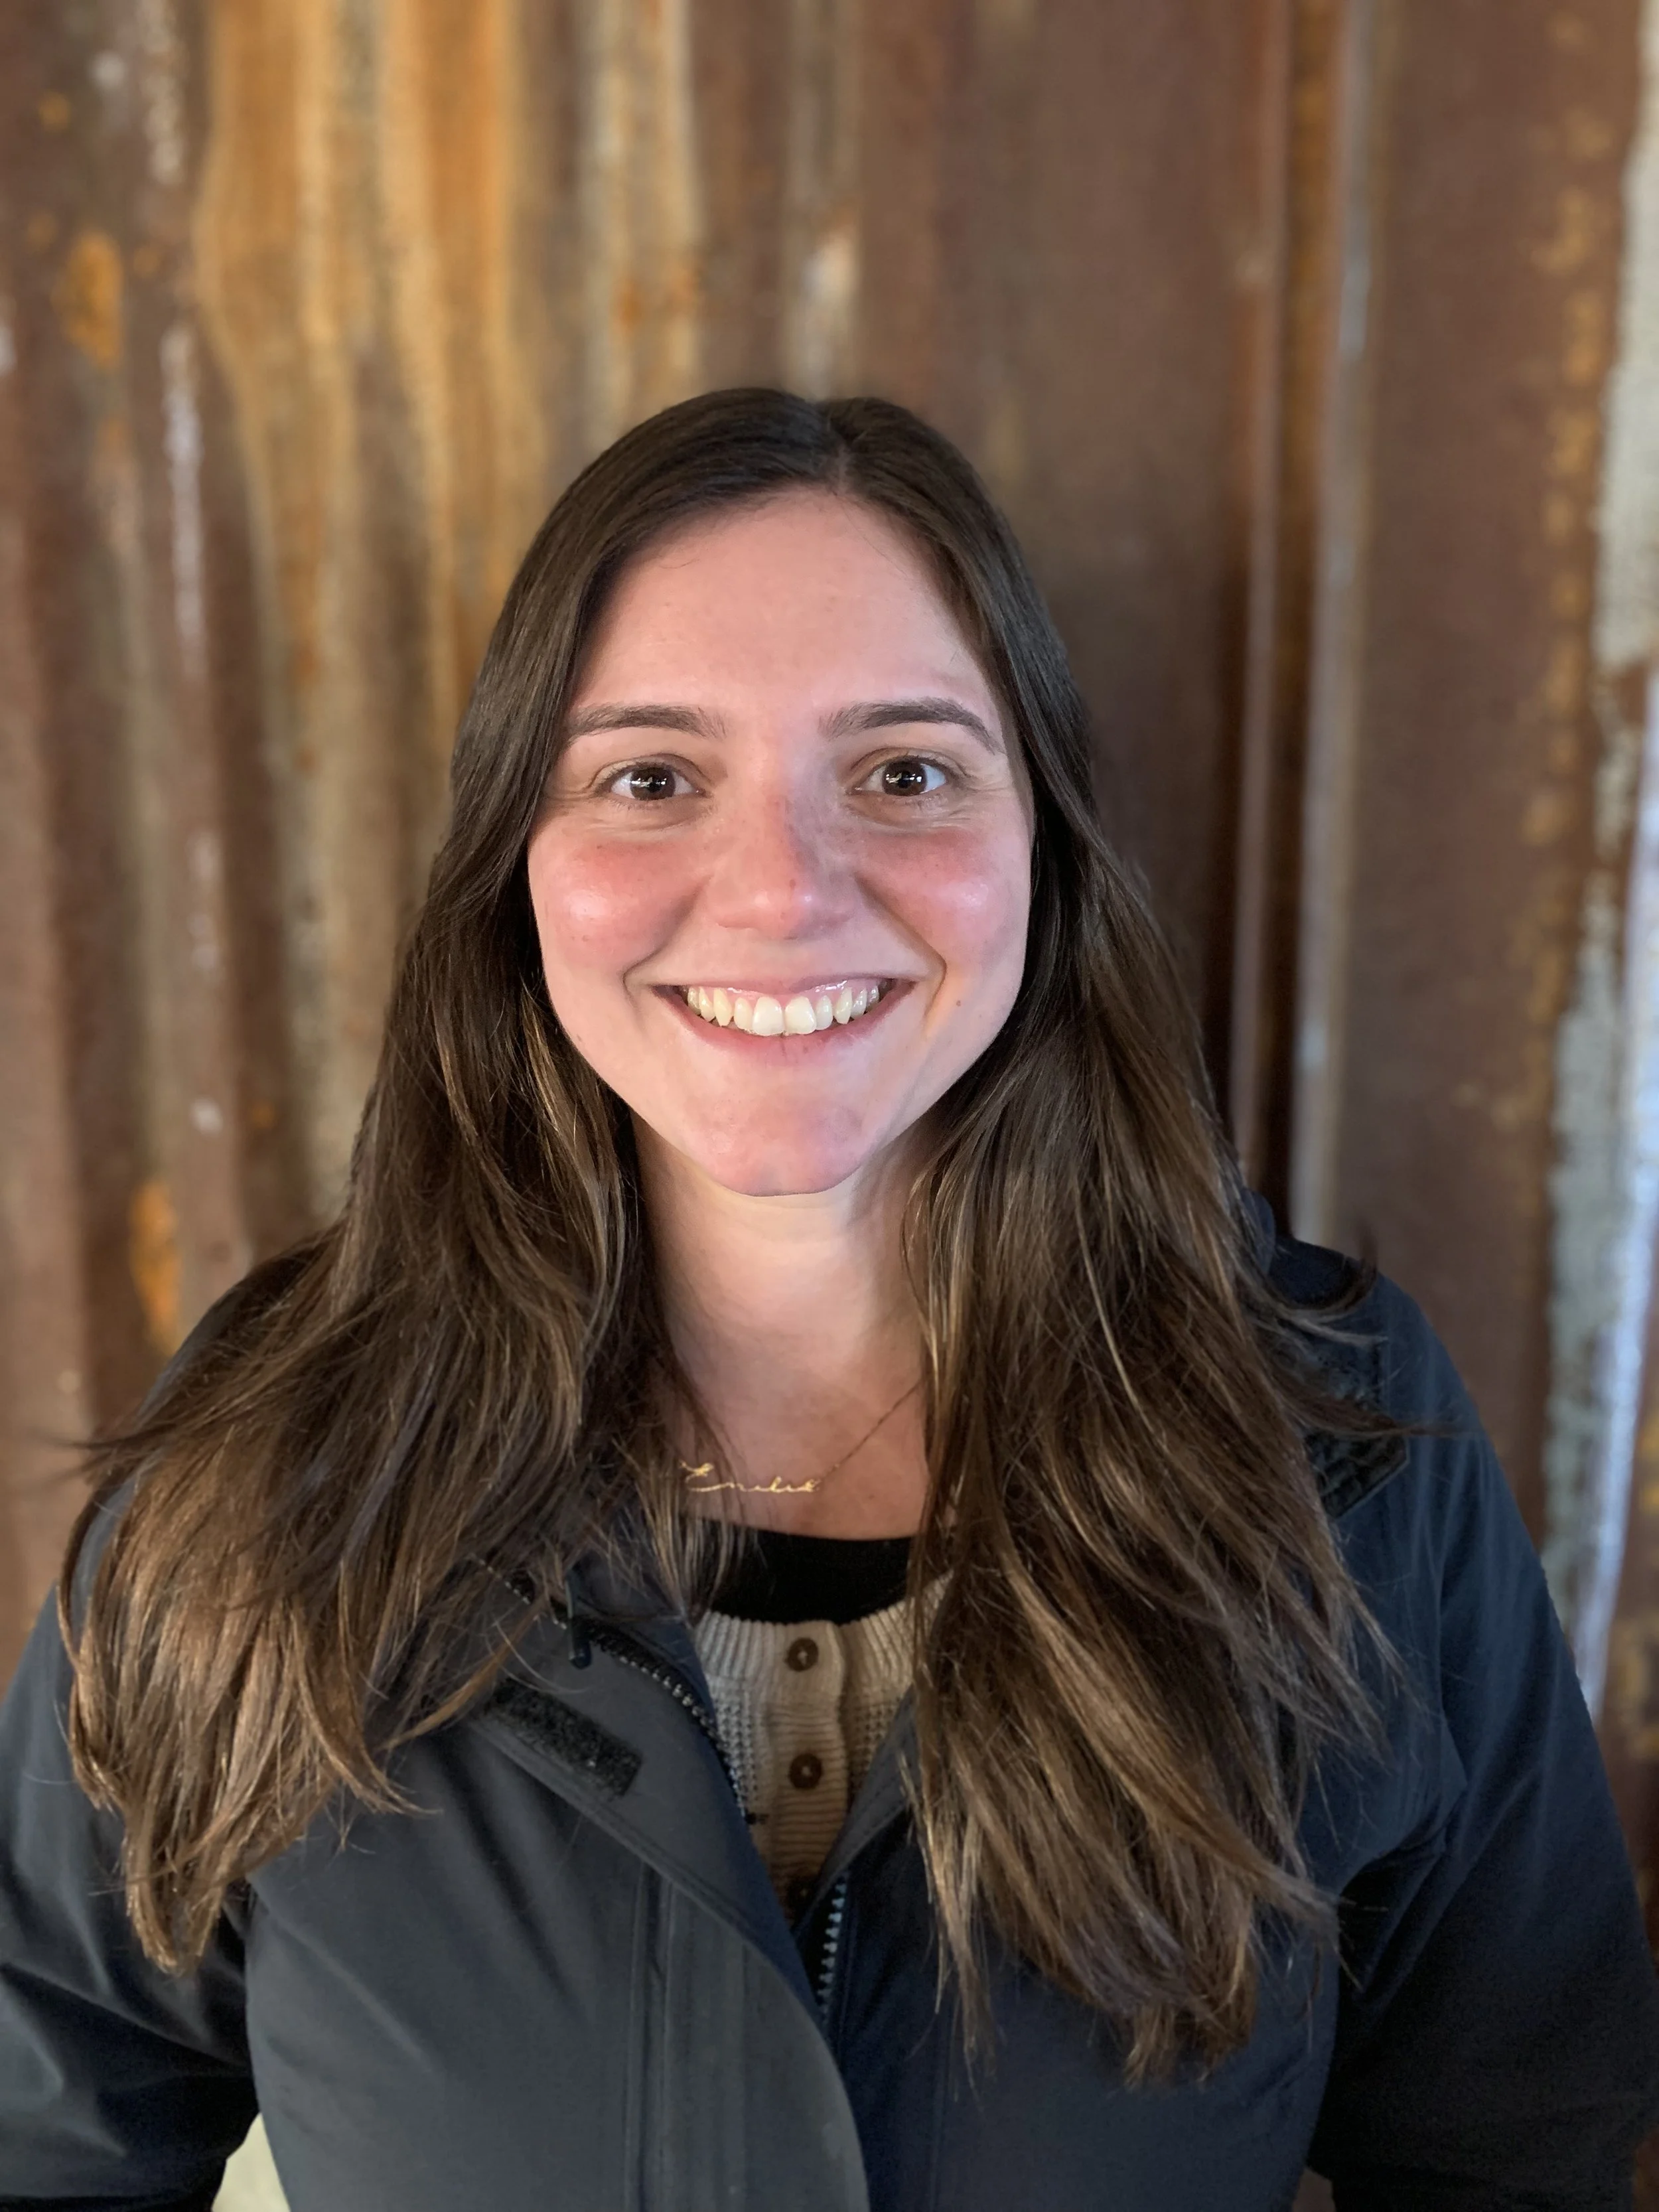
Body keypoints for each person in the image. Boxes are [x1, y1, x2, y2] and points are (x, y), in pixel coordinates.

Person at [1, 389, 1655, 2212]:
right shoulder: (275, 1471)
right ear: (515, 865)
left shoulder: (1334, 1454)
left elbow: (1520, 2154)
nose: (784, 892)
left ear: (1039, 842)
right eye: (650, 776)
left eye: (903, 771)